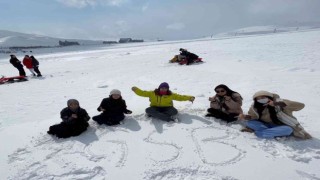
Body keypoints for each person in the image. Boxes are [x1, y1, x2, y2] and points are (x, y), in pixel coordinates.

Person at [239, 90, 312, 139]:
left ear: (269, 97)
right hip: (266, 124)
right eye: (258, 98)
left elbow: (301, 105)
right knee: (250, 122)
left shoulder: (279, 103)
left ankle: (258, 133)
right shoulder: (255, 107)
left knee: (288, 130)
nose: (260, 99)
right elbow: (253, 117)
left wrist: (277, 104)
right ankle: (269, 132)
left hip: (280, 125)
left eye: (263, 97)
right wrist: (245, 117)